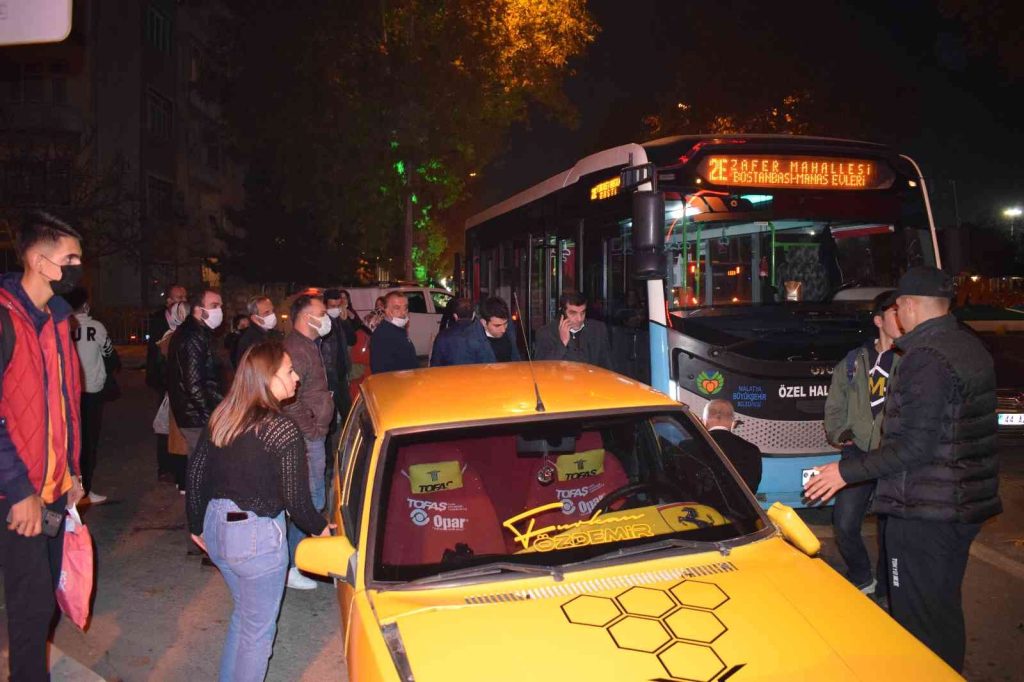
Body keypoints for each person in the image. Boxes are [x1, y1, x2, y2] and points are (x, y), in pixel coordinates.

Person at [805, 266, 1001, 672]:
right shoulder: (966, 346)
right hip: (959, 502)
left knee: (916, 618)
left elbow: (914, 446)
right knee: (940, 608)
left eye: (898, 306)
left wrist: (845, 473)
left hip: (927, 509)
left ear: (909, 306)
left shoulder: (924, 358)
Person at [186, 341, 331, 682]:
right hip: (255, 539)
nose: (296, 378)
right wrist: (324, 532)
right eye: (289, 371)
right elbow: (297, 501)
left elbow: (195, 476)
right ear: (268, 378)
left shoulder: (223, 415)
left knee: (246, 619)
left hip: (217, 528)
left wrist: (197, 526)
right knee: (257, 635)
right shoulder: (280, 428)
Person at [0, 210, 86, 681]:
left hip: (53, 489)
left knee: (45, 602)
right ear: (39, 261)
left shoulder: (57, 319)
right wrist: (18, 491)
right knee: (30, 609)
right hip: (17, 495)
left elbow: (65, 406)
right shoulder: (5, 318)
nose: (77, 268)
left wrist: (72, 471)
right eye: (69, 258)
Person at [823, 290, 900, 597]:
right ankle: (862, 575)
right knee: (843, 521)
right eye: (895, 312)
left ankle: (885, 588)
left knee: (889, 530)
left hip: (894, 455)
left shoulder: (912, 361)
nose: (903, 317)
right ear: (879, 320)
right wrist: (842, 434)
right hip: (857, 453)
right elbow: (835, 403)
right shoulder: (855, 360)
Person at [282, 294, 335, 589]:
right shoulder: (296, 350)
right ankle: (293, 566)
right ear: (306, 318)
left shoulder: (308, 345)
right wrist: (312, 429)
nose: (327, 317)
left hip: (313, 433)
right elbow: (289, 400)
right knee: (310, 502)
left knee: (311, 500)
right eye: (322, 312)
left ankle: (298, 562)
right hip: (306, 437)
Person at [167, 289, 225, 484]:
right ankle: (199, 512)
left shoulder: (198, 333)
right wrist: (210, 416)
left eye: (220, 306)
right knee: (202, 472)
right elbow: (193, 384)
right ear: (198, 310)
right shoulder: (192, 336)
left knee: (203, 469)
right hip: (196, 417)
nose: (219, 311)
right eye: (214, 306)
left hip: (196, 414)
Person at [68, 288, 113, 505]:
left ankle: (75, 487)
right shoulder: (96, 327)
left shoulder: (62, 326)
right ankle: (85, 489)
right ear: (85, 305)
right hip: (92, 389)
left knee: (73, 441)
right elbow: (108, 352)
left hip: (69, 393)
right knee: (89, 441)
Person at [147, 283, 187, 481]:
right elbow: (154, 354)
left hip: (180, 385)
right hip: (163, 381)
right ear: (169, 301)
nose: (181, 301)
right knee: (164, 427)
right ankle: (164, 468)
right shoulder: (158, 320)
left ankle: (179, 465)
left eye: (184, 298)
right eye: (177, 297)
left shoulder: (188, 322)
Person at [535, 291, 613, 370]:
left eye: (582, 313)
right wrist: (562, 343)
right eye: (573, 313)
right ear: (562, 312)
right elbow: (542, 368)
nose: (579, 319)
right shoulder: (546, 333)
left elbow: (607, 366)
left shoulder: (598, 329)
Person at [701, 399, 762, 493]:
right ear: (732, 422)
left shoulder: (687, 447)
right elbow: (751, 489)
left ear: (704, 421)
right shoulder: (751, 450)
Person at [444, 296, 521, 366]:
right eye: (497, 325)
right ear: (484, 323)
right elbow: (464, 374)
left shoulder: (509, 328)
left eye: (505, 324)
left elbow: (515, 357)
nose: (503, 329)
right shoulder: (466, 341)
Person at [369, 291, 418, 373]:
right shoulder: (382, 334)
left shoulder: (397, 328)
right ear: (386, 310)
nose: (403, 313)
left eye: (405, 308)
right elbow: (380, 371)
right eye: (397, 308)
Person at [233, 295, 280, 368]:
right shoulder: (252, 340)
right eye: (267, 312)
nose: (272, 315)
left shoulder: (270, 334)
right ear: (255, 318)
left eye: (272, 311)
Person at [430, 297, 475, 366]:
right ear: (473, 315)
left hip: (449, 375)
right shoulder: (480, 335)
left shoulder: (442, 337)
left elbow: (435, 364)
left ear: (455, 316)